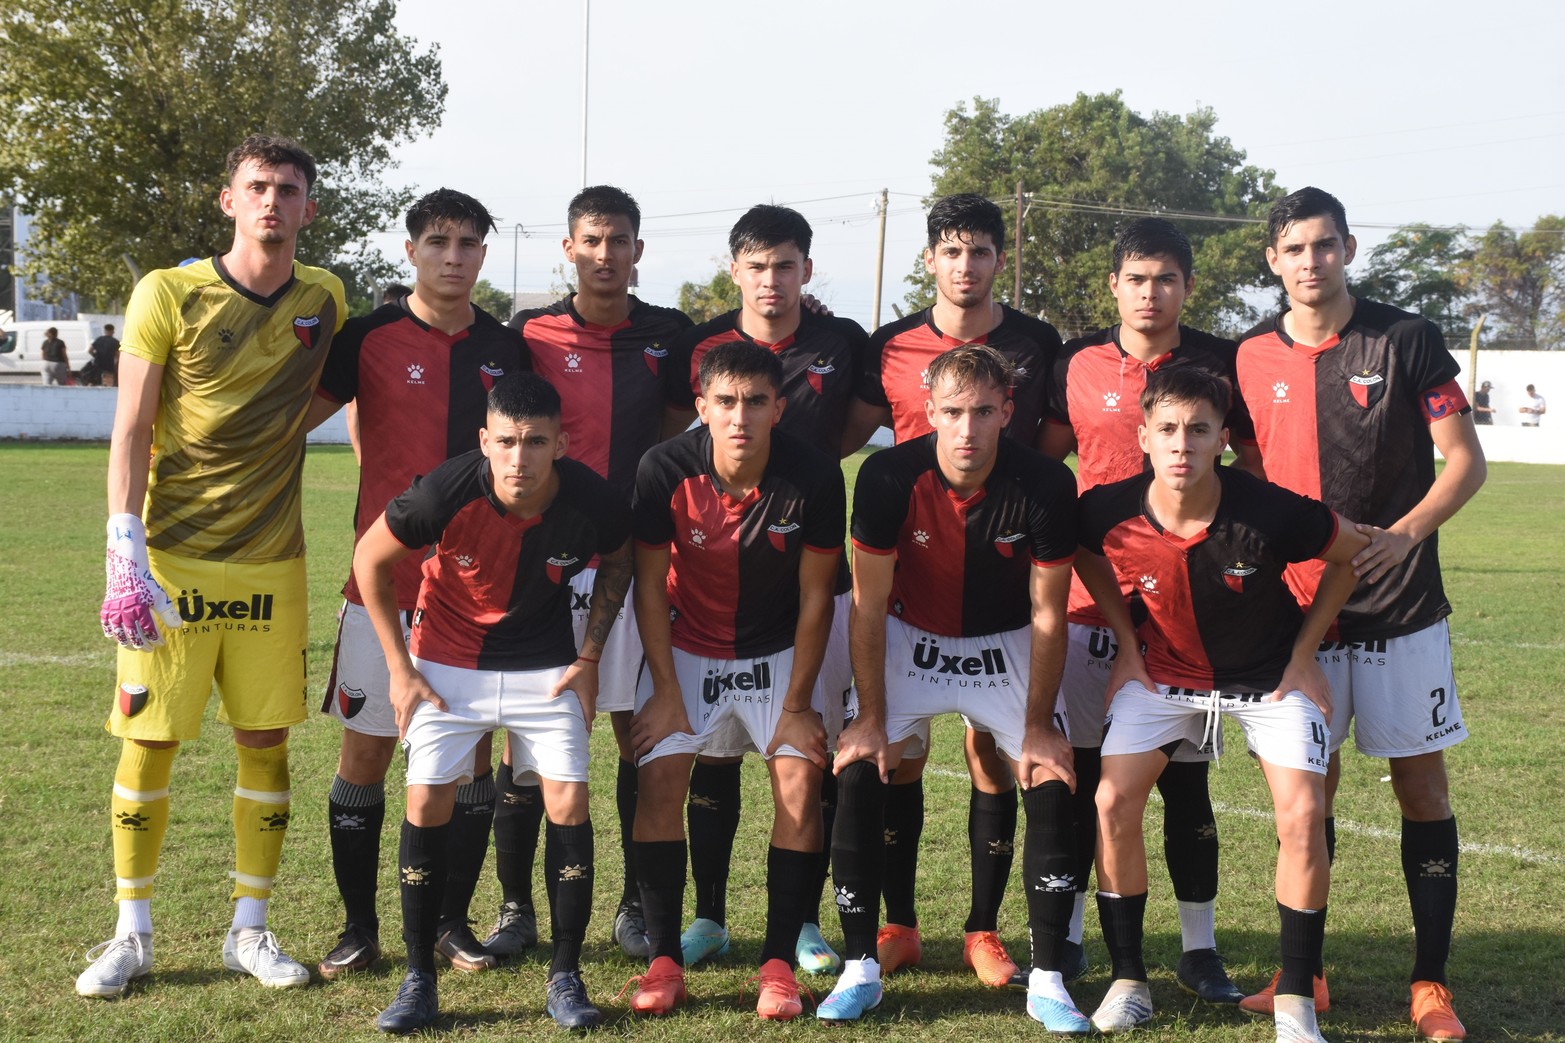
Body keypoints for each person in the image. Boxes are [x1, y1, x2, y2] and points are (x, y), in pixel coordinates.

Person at [80, 134, 346, 999]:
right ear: (228, 199)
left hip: (273, 562)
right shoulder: (169, 290)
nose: (274, 201)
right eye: (258, 186)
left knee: (265, 741)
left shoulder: (325, 297)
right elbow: (132, 422)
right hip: (171, 559)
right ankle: (131, 932)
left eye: (290, 189)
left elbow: (324, 394)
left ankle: (250, 928)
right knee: (148, 741)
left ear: (309, 207)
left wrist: (265, 437)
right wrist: (124, 539)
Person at [1233, 187, 1486, 1042]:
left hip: (1400, 606)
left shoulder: (1405, 338)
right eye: (1294, 249)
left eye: (1324, 245)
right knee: (1309, 796)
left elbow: (1464, 461)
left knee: (1419, 786)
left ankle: (1429, 984)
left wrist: (1406, 534)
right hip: (1299, 616)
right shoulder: (1247, 357)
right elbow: (1243, 472)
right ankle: (1303, 974)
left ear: (1347, 248)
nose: (1311, 262)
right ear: (1272, 260)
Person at [1076, 362, 1369, 1042]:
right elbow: (1086, 554)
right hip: (1164, 678)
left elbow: (1348, 554)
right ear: (1143, 435)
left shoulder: (1269, 509)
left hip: (1266, 679)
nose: (1182, 443)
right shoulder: (1105, 508)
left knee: (1302, 810)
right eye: (1168, 428)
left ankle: (1295, 998)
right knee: (1111, 801)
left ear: (1221, 440)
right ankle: (1128, 980)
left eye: (1198, 430)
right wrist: (1124, 638)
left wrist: (1303, 654)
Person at [351, 372, 631, 1033]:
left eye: (535, 441)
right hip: (449, 664)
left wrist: (589, 656)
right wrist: (400, 667)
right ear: (484, 440)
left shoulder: (591, 499)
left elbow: (620, 561)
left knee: (567, 800)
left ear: (560, 442)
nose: (519, 457)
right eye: (505, 441)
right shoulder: (444, 490)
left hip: (546, 670)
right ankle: (419, 977)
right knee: (426, 800)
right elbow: (369, 560)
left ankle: (565, 975)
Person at [820, 345, 1084, 1029]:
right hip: (909, 638)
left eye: (983, 412)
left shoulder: (1046, 483)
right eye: (953, 413)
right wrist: (871, 718)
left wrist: (1036, 726)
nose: (967, 429)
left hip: (1006, 643)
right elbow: (869, 606)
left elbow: (1049, 612)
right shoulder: (885, 476)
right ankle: (860, 967)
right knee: (855, 767)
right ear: (928, 411)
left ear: (1007, 410)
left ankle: (1049, 977)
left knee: (1049, 775)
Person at [837, 193, 1065, 987]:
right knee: (895, 757)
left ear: (999, 259)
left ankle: (982, 928)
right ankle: (896, 923)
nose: (964, 266)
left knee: (990, 755)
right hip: (913, 572)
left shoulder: (1038, 343)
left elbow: (1052, 444)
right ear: (930, 258)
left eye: (979, 252)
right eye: (950, 251)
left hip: (1003, 569)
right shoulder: (890, 344)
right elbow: (847, 433)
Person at [307, 189, 528, 981]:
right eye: (438, 241)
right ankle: (358, 928)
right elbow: (297, 415)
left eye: (470, 243)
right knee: (365, 755)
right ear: (410, 251)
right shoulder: (365, 335)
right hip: (381, 588)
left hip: (474, 596)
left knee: (466, 763)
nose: (454, 256)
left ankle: (449, 924)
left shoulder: (508, 345)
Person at [1040, 218, 1258, 1001]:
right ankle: (1065, 938)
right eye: (1136, 278)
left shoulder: (1218, 362)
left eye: (1165, 278)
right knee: (1084, 780)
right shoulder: (1076, 362)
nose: (1150, 292)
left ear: (1187, 286)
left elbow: (1252, 474)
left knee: (1186, 787)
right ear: (1113, 285)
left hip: (1185, 616)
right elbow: (1043, 461)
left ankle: (1198, 947)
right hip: (1088, 607)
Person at [662, 203, 868, 975]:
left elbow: (852, 428)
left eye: (785, 265)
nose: (771, 280)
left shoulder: (841, 342)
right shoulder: (701, 345)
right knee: (712, 757)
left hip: (811, 575)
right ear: (733, 270)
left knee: (807, 753)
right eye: (756, 265)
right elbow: (680, 441)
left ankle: (803, 921)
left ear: (806, 270)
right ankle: (709, 914)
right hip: (712, 581)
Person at [500, 186, 693, 961]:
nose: (605, 253)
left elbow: (679, 424)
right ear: (568, 248)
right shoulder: (530, 330)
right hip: (544, 562)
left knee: (635, 733)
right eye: (591, 240)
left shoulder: (669, 334)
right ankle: (516, 907)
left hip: (640, 561)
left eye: (618, 240)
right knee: (530, 743)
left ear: (637, 250)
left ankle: (634, 905)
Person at [625, 341, 844, 1021]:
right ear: (701, 407)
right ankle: (665, 958)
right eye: (724, 401)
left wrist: (800, 702)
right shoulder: (662, 468)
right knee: (657, 778)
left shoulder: (813, 475)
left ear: (779, 406)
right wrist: (664, 691)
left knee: (801, 783)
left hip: (778, 649)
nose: (739, 415)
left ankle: (777, 962)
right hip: (687, 645)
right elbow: (648, 588)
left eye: (754, 401)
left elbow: (817, 597)